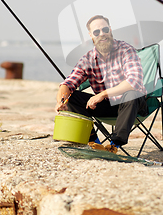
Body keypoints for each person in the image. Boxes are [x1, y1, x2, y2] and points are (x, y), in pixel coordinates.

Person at [55, 15, 148, 151]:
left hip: (133, 104)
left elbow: (134, 82)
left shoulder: (126, 50)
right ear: (91, 35)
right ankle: (94, 142)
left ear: (110, 30)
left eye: (105, 29)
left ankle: (114, 144)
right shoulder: (87, 59)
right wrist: (60, 101)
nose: (102, 34)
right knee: (71, 98)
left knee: (131, 94)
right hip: (107, 106)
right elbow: (68, 83)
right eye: (97, 32)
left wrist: (102, 94)